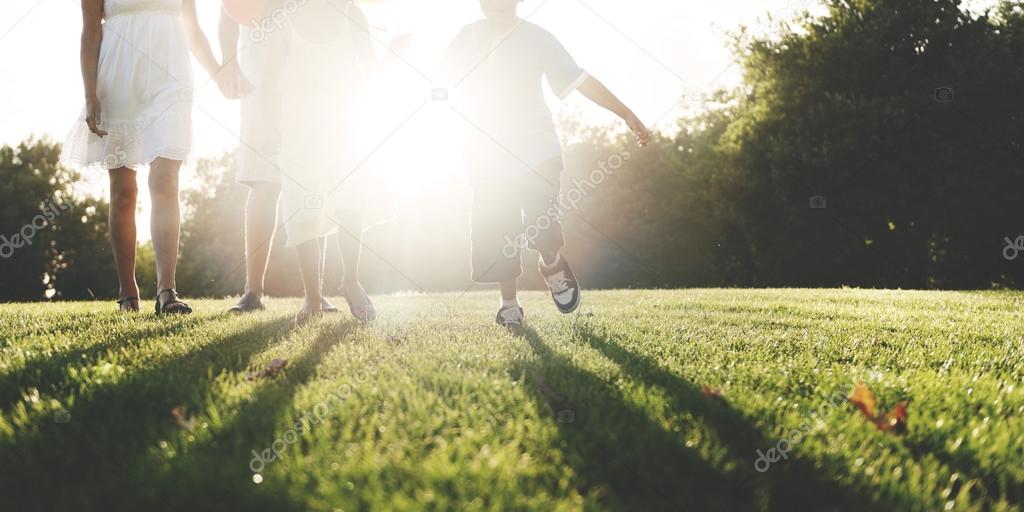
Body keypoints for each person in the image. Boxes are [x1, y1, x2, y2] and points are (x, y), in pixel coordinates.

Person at [441, 0, 652, 331]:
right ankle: (509, 305)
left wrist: (624, 112)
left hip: (537, 149)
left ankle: (552, 264)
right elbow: (443, 82)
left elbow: (580, 80)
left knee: (543, 223)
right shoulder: (465, 38)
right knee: (499, 230)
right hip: (487, 152)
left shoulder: (538, 38)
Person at [62, 0, 233, 314]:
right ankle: (128, 293)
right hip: (117, 78)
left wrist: (219, 73)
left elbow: (193, 30)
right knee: (123, 192)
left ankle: (167, 291)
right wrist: (90, 93)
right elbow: (90, 33)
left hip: (171, 78)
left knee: (165, 179)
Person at [274, 0, 393, 324]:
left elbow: (371, 70)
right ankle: (312, 298)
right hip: (299, 129)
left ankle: (350, 280)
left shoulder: (351, 13)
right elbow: (271, 74)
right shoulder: (285, 15)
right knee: (302, 212)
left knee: (350, 202)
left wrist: (392, 53)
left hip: (345, 125)